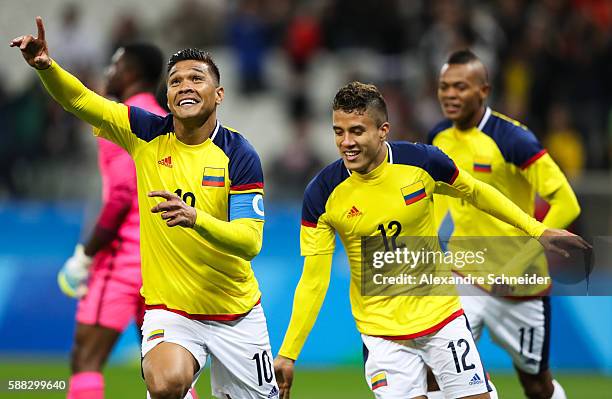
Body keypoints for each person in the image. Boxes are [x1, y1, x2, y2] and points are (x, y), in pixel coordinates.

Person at [11, 17, 279, 399]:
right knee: (166, 383)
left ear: (218, 94)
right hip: (171, 312)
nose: (185, 85)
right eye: (176, 81)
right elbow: (83, 101)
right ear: (167, 96)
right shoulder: (146, 133)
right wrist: (46, 68)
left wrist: (196, 219)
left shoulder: (239, 154)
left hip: (237, 314)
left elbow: (251, 241)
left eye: (196, 79)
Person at [273, 81, 588, 399]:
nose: (346, 142)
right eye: (338, 132)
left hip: (443, 321)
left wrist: (537, 230)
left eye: (357, 131)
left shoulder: (422, 163)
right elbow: (314, 280)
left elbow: (476, 192)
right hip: (383, 336)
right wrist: (288, 352)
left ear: (383, 130)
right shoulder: (322, 193)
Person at [426, 49, 580, 399]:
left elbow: (567, 202)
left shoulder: (514, 140)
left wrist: (518, 262)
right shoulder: (438, 136)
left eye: (460, 87)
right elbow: (438, 196)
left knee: (536, 385)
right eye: (444, 86)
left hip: (519, 287)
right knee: (437, 368)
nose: (450, 94)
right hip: (464, 277)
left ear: (483, 90)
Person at [55, 43, 177, 399]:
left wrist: (86, 255)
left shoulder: (119, 117)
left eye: (115, 65)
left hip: (126, 255)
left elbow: (123, 195)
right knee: (166, 373)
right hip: (162, 261)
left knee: (85, 358)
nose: (109, 72)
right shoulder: (162, 119)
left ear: (132, 73)